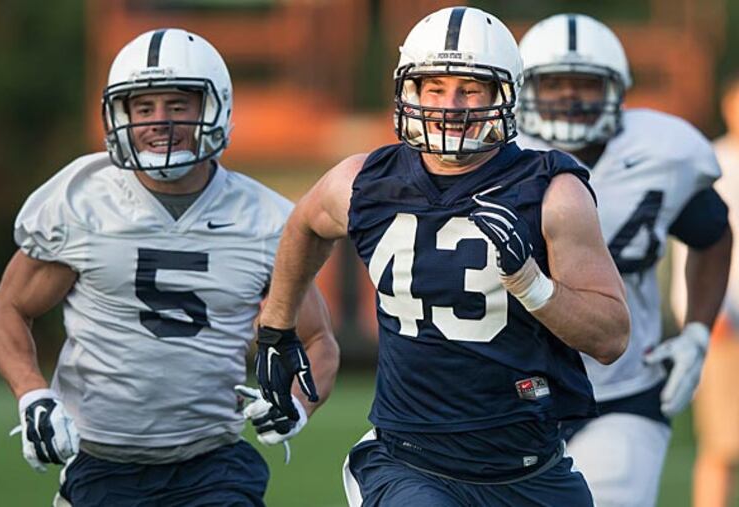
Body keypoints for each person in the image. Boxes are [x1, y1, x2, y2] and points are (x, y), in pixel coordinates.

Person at [252, 7, 630, 506]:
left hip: (530, 467)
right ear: (409, 92)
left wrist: (532, 284)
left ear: (504, 95)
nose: (450, 105)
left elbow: (610, 337)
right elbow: (304, 225)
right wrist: (277, 330)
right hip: (409, 461)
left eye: (470, 89)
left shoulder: (553, 193)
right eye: (434, 88)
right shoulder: (362, 180)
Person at [0, 28, 339, 507]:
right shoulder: (82, 201)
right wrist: (32, 395)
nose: (159, 121)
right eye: (144, 107)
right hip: (102, 461)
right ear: (120, 114)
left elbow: (317, 341)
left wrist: (297, 405)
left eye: (177, 106)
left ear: (213, 108)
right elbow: (9, 307)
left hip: (213, 463)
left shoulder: (263, 220)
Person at [516, 13, 732, 507]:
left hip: (622, 390)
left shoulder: (664, 151)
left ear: (618, 89)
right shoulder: (496, 156)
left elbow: (713, 236)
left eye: (585, 83)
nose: (570, 97)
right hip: (505, 396)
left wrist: (697, 331)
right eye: (553, 84)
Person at [671, 73, 739, 507]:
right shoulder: (711, 161)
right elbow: (693, 245)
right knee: (722, 446)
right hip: (725, 324)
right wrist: (698, 316)